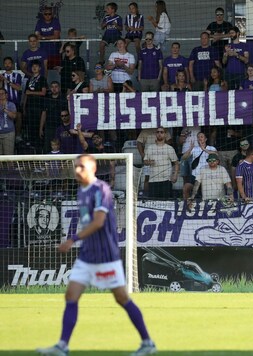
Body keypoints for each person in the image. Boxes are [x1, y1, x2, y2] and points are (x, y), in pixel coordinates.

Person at [35, 154, 157, 356]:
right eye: (75, 167)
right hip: (87, 255)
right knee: (71, 295)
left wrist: (72, 239)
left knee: (122, 298)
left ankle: (147, 342)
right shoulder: (80, 191)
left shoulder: (101, 189)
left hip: (105, 255)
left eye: (81, 166)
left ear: (93, 168)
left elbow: (99, 221)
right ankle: (62, 346)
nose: (77, 170)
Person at [143, 127, 179, 199]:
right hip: (153, 180)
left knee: (166, 203)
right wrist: (148, 162)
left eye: (162, 132)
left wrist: (175, 175)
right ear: (156, 134)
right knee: (153, 203)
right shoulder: (150, 148)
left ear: (165, 134)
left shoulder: (169, 148)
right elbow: (145, 161)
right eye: (158, 132)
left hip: (166, 180)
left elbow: (176, 163)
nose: (159, 134)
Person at [0, 87, 17, 155]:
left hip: (8, 133)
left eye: (2, 93)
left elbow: (14, 116)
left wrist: (5, 109)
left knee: (9, 156)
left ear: (6, 95)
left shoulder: (11, 104)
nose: (0, 95)